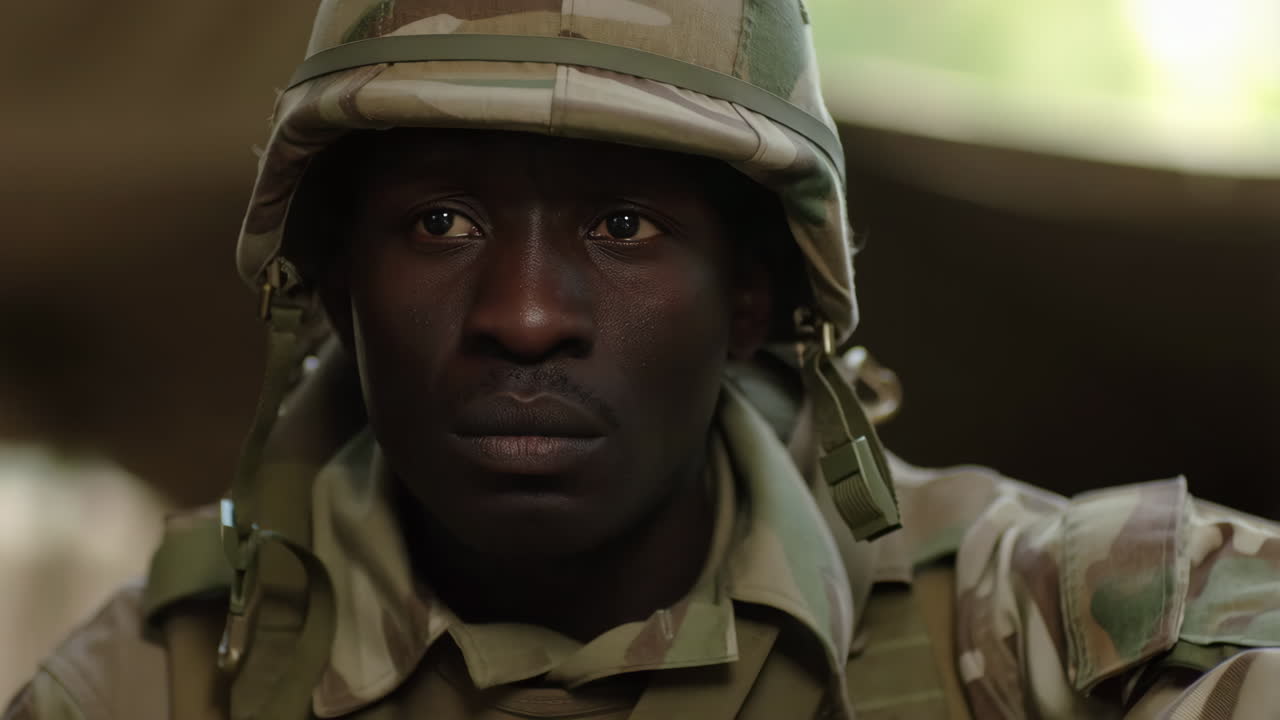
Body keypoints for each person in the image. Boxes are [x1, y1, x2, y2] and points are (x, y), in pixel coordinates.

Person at [6, 1, 1280, 718]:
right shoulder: (162, 683)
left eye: (623, 225)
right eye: (441, 223)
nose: (521, 313)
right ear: (336, 286)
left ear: (750, 300)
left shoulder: (1042, 620)